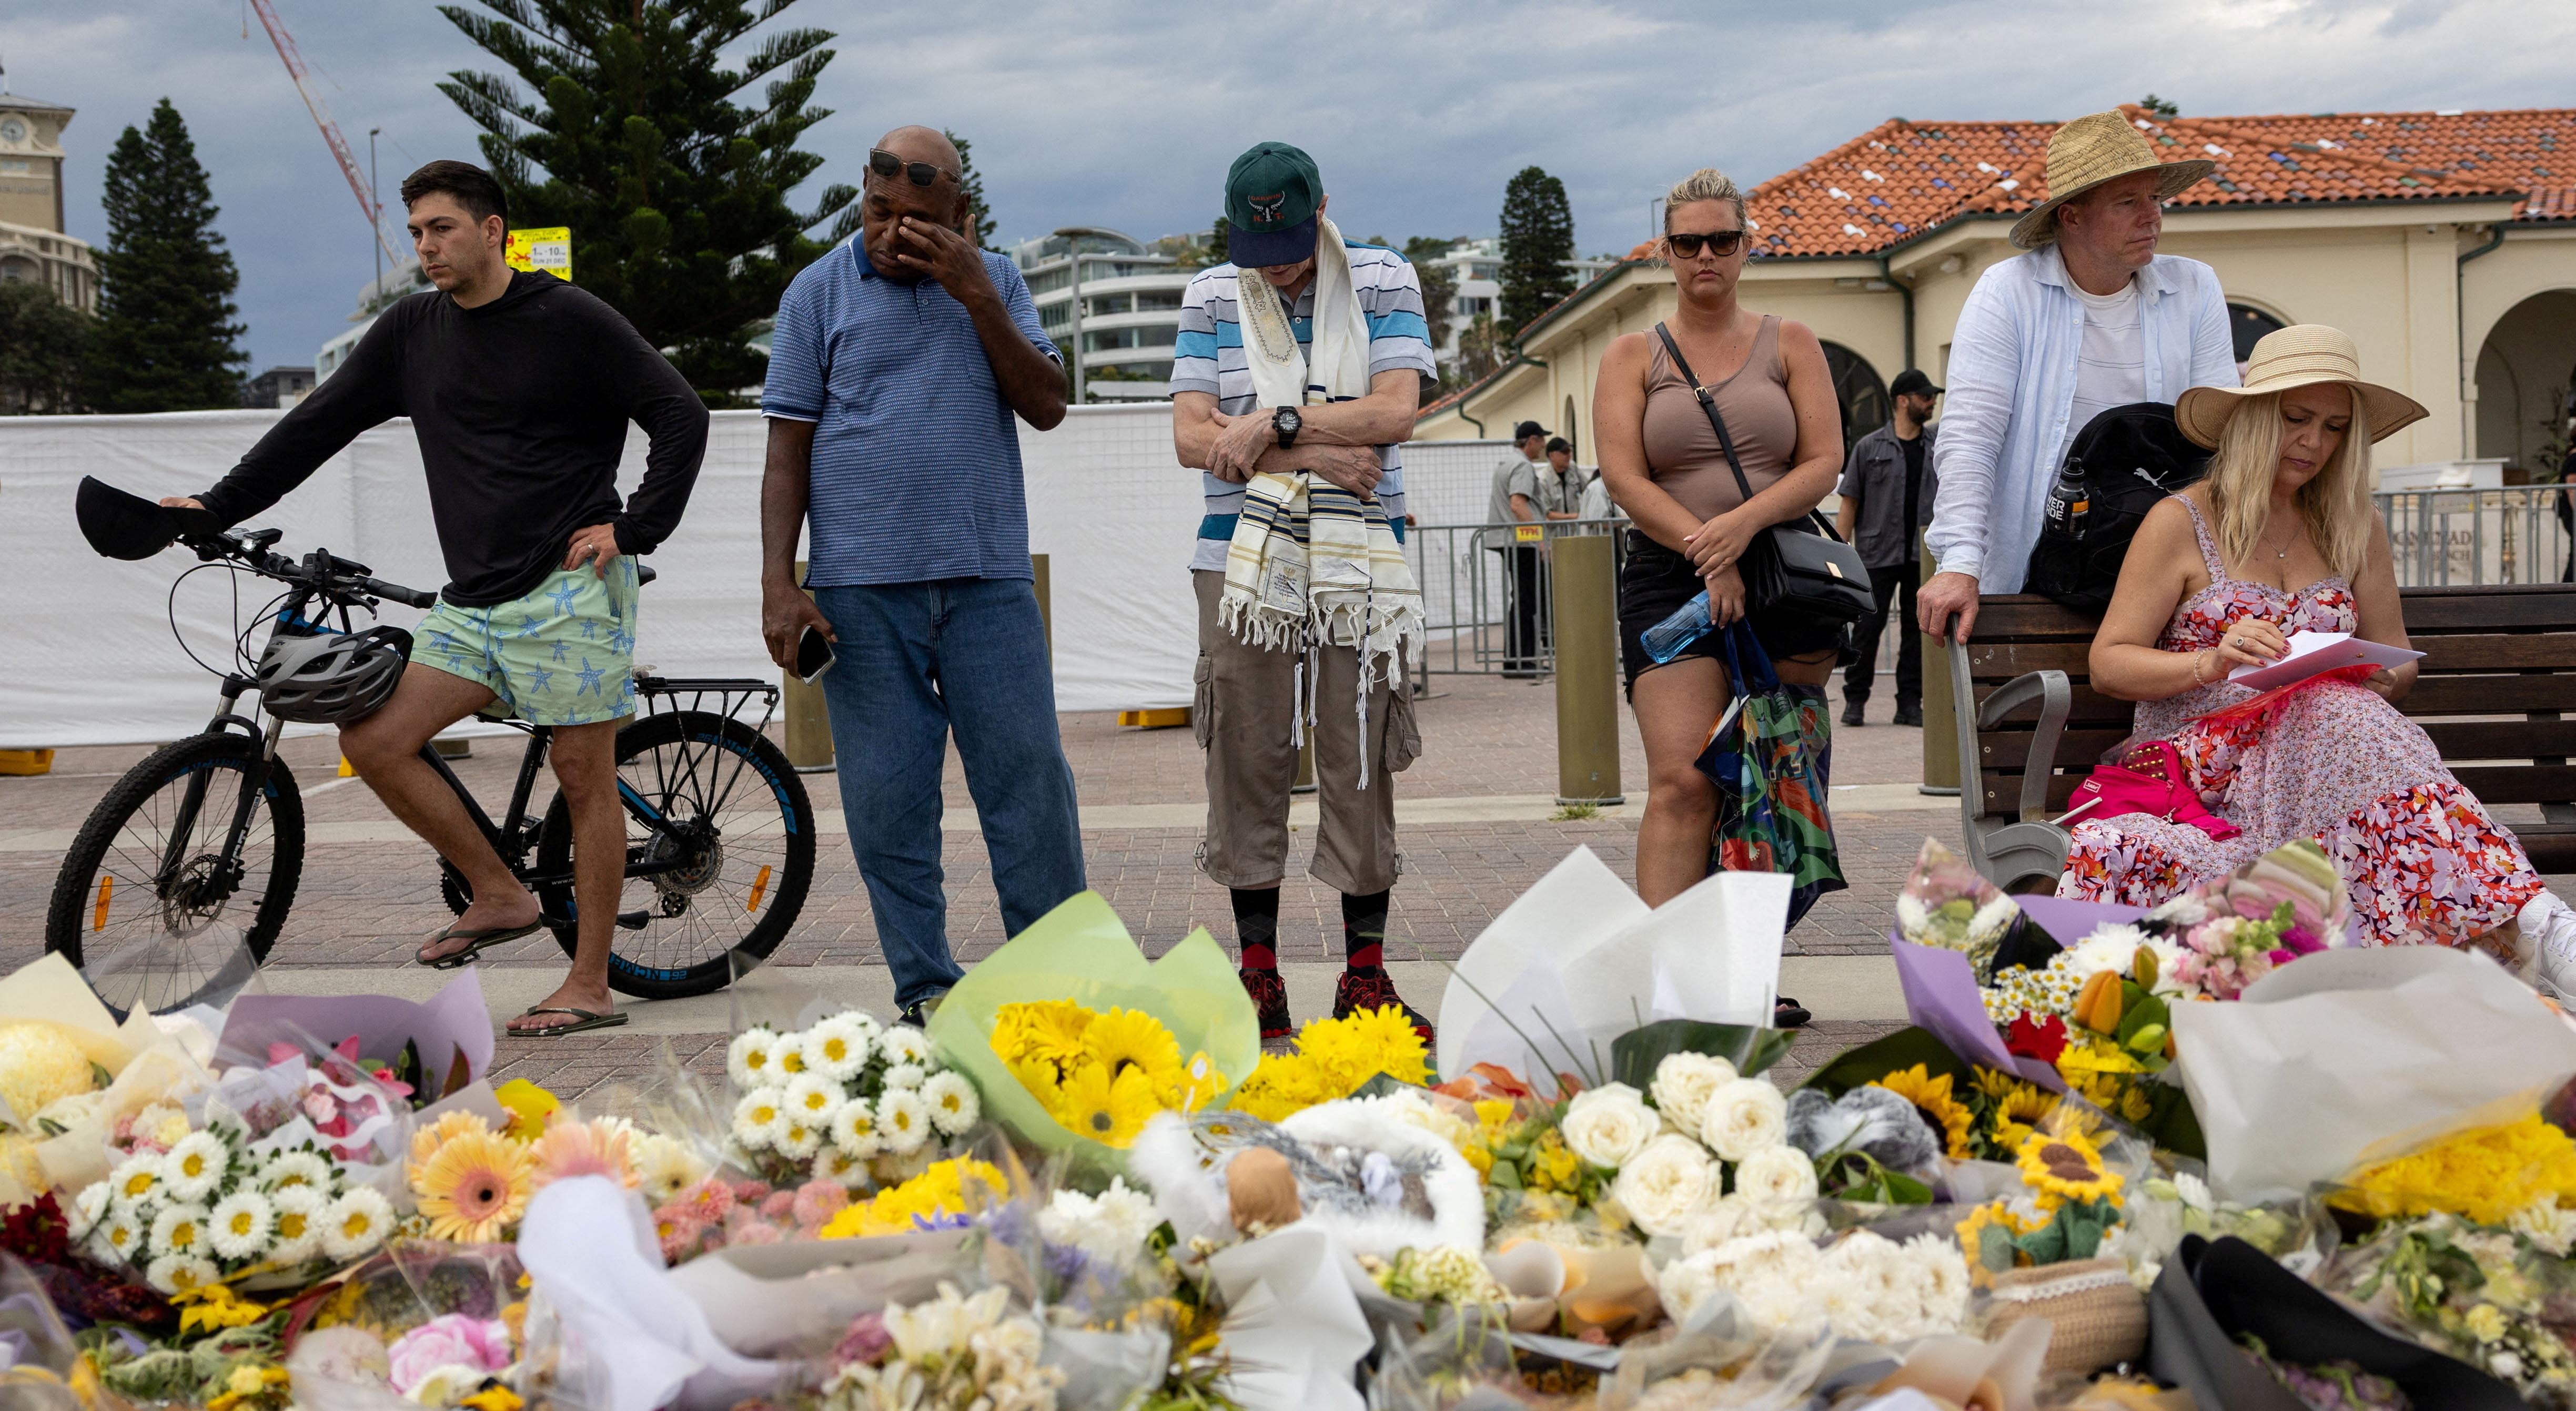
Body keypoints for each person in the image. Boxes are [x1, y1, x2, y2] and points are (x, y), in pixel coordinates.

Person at [164, 160, 708, 1036]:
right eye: (416, 231)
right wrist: (216, 504)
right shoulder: (412, 330)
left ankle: (590, 983)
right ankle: (499, 890)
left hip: (571, 589)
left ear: (493, 229)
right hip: (475, 600)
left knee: (581, 774)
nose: (425, 246)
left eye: (441, 228)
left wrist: (635, 529)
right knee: (375, 735)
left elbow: (681, 412)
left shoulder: (571, 320)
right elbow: (316, 425)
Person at [2060, 324, 2576, 982]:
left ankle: (2524, 930)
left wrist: (2371, 674)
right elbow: (2109, 663)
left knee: (2330, 703)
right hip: (2208, 769)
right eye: (2295, 419)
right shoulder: (2181, 520)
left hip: (2329, 762)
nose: (2313, 442)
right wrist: (2211, 661)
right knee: (2331, 710)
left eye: (2334, 427)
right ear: (2250, 420)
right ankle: (2535, 926)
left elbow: (2399, 661)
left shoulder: (2354, 523)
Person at [758, 126, 1083, 1028]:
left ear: (961, 217)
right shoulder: (814, 293)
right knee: (888, 804)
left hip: (988, 584)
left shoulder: (1000, 281)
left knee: (1030, 790)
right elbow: (787, 449)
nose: (893, 233)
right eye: (877, 211)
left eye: (918, 219)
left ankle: (1054, 985)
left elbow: (1048, 406)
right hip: (861, 595)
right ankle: (926, 988)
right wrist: (779, 583)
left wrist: (975, 291)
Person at [1171, 140, 1437, 1042]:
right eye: (1257, 248)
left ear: (1321, 209)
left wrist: (1271, 426)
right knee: (1245, 747)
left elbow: (1396, 411)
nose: (1275, 265)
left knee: (1355, 741)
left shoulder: (1382, 279)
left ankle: (1364, 975)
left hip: (1362, 554)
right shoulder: (1212, 294)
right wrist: (1322, 448)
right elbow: (1189, 437)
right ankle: (1258, 975)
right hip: (1238, 558)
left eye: (1287, 241)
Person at [1593, 167, 1846, 910]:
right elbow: (1624, 477)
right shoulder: (1633, 356)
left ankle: (1745, 977)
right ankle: (1672, 974)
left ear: (1745, 247)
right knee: (1684, 780)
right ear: (1665, 253)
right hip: (1672, 583)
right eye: (1688, 241)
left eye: (1722, 239)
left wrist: (1741, 528)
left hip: (1782, 577)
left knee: (1772, 773)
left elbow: (1824, 461)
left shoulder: (1790, 341)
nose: (1706, 254)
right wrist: (1709, 550)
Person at [1918, 110, 2239, 644]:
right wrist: (1959, 561)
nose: (2151, 217)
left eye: (2155, 199)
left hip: (2170, 569)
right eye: (2127, 203)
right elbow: (1970, 436)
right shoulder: (2007, 292)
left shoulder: (2194, 286)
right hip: (2036, 566)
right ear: (2070, 217)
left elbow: (2222, 432)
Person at [1835, 369, 1941, 726]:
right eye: (1925, 396)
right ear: (1902, 400)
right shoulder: (1869, 448)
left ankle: (1909, 704)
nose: (1931, 403)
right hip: (1876, 554)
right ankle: (1855, 700)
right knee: (1867, 628)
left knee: (1916, 631)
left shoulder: (1936, 446)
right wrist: (1838, 553)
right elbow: (1848, 503)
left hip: (1921, 555)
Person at [1487, 420, 1551, 675]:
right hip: (1522, 542)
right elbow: (1518, 504)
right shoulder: (1523, 465)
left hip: (1512, 540)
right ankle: (1522, 660)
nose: (1544, 446)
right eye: (1541, 440)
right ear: (1532, 440)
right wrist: (1539, 540)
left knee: (1522, 601)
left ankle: (1517, 659)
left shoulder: (1507, 462)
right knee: (1527, 601)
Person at [1541, 437, 1591, 521]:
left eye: (1569, 451)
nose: (1569, 455)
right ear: (1552, 455)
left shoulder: (1573, 468)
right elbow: (1548, 514)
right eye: (1565, 452)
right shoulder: (1544, 479)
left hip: (1576, 529)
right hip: (1556, 532)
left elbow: (1588, 489)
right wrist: (1576, 516)